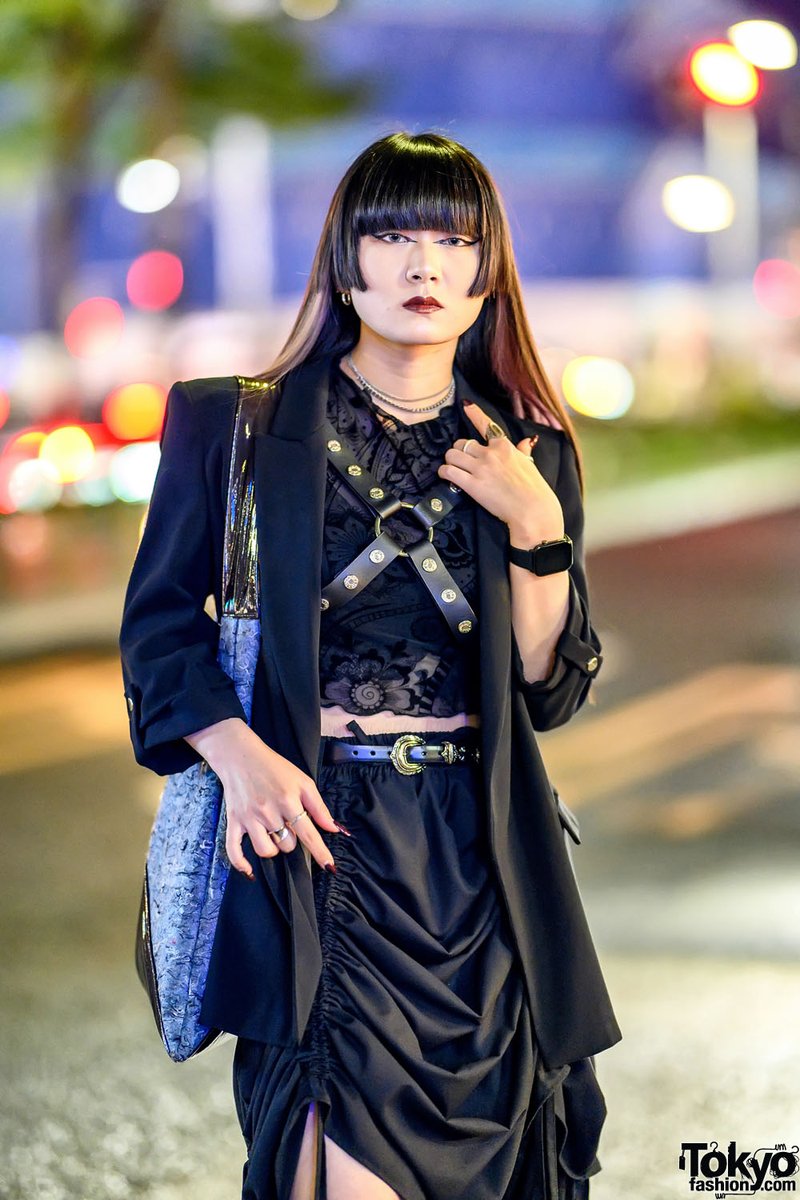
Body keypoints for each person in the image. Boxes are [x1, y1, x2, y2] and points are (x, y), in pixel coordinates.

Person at [119, 130, 621, 1200]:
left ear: (487, 272)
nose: (421, 266)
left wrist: (537, 530)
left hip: (478, 856)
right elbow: (161, 628)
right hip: (315, 840)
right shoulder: (232, 428)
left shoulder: (530, 454)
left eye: (450, 239)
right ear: (345, 261)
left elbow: (549, 689)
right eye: (390, 235)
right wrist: (238, 756)